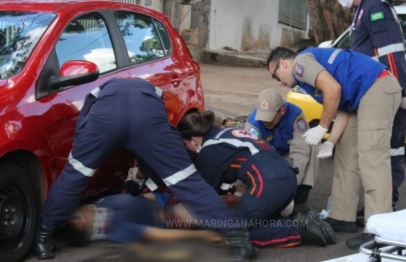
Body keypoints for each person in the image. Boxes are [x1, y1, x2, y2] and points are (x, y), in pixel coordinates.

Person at [35, 77, 255, 261]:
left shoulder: (99, 91)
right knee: (188, 183)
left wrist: (84, 158)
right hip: (147, 119)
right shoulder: (155, 95)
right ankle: (239, 238)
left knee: (75, 176)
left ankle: (44, 239)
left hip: (105, 119)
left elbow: (83, 126)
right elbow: (153, 146)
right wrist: (151, 172)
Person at [266, 46, 401, 249]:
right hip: (361, 97)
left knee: (372, 158)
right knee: (346, 153)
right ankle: (342, 216)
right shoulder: (305, 79)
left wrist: (322, 127)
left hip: (377, 87)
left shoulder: (300, 64)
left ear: (283, 63)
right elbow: (342, 108)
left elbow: (333, 90)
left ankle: (379, 231)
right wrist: (330, 141)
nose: (280, 82)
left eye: (276, 75)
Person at [177, 110, 336, 248]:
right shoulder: (228, 133)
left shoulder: (209, 151)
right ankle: (297, 220)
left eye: (185, 144)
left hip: (269, 183)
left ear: (194, 139)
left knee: (229, 227)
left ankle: (295, 230)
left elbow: (206, 195)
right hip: (287, 177)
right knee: (252, 215)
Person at [338, 0, 406, 228]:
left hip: (389, 86)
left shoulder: (373, 7)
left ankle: (387, 201)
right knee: (382, 145)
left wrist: (398, 88)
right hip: (377, 87)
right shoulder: (362, 8)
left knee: (389, 146)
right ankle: (382, 202)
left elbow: (390, 52)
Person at [244, 88, 319, 213]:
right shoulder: (253, 123)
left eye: (270, 117)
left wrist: (291, 188)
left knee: (313, 144)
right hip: (266, 157)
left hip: (287, 154)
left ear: (282, 111)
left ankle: (300, 198)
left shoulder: (296, 116)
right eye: (262, 117)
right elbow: (250, 156)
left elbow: (300, 152)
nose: (265, 121)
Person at [62, 192, 221, 247]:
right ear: (87, 226)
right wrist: (202, 236)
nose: (80, 211)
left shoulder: (100, 205)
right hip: (170, 216)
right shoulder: (118, 230)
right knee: (206, 210)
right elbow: (159, 234)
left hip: (163, 198)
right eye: (80, 216)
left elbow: (136, 199)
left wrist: (169, 196)